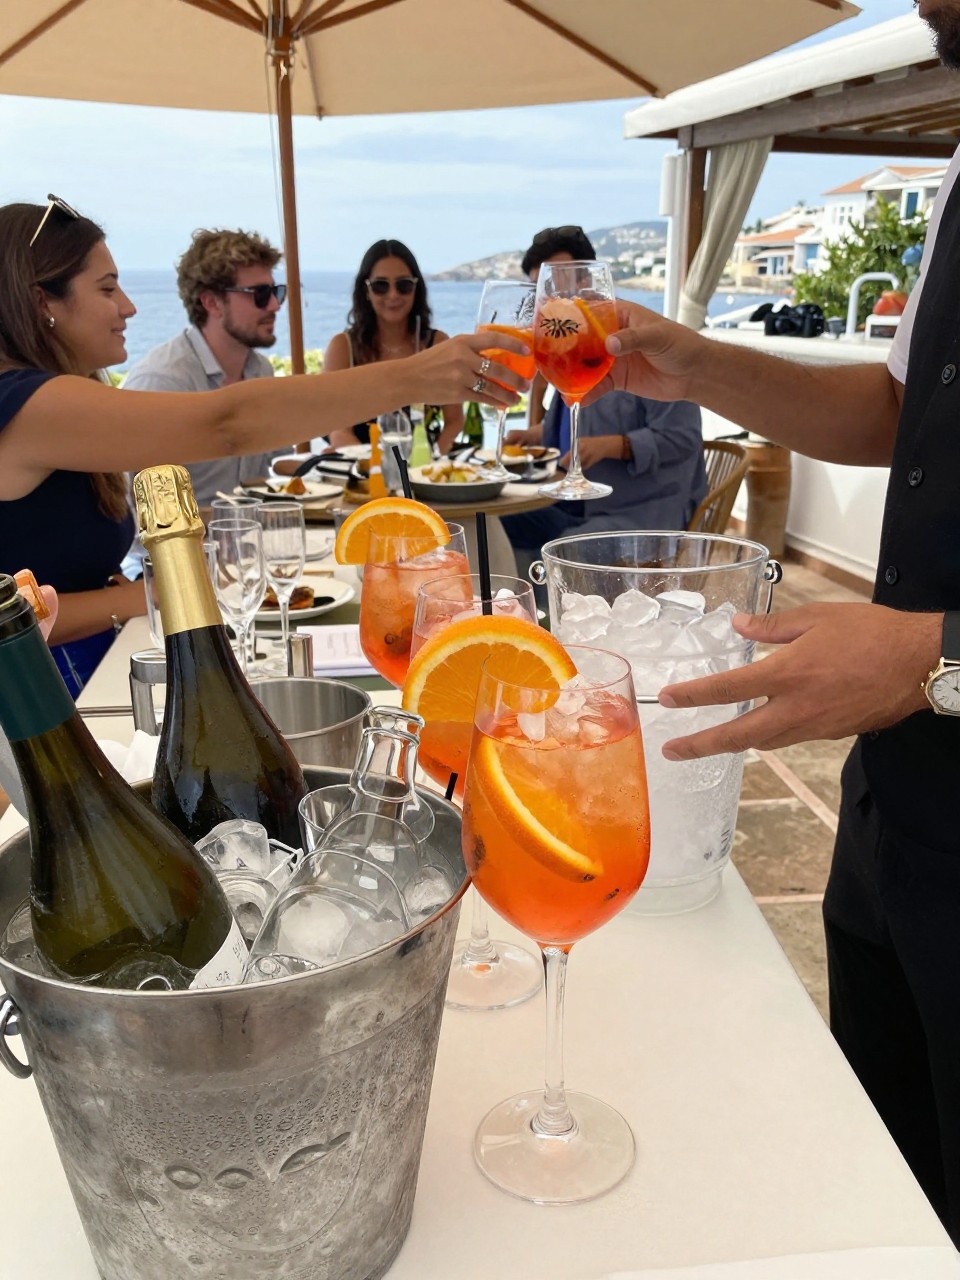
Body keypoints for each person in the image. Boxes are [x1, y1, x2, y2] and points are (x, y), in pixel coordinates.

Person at [585, 0, 960, 1241]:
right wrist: (693, 365)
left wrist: (930, 654)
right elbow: (900, 413)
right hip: (903, 807)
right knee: (885, 1188)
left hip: (927, 712)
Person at [0, 198, 526, 694]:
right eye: (108, 289)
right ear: (42, 300)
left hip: (89, 658)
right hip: (49, 687)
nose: (130, 306)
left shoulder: (49, 398)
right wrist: (414, 377)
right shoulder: (27, 403)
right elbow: (227, 422)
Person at [501, 225, 706, 561]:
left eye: (559, 284)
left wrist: (612, 446)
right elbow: (580, 428)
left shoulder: (640, 342)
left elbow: (682, 438)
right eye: (540, 289)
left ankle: (550, 611)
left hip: (640, 512)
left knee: (559, 551)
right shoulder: (570, 348)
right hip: (572, 504)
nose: (552, 299)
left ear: (588, 281)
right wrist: (535, 433)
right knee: (497, 524)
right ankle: (506, 610)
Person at [122, 228, 287, 506]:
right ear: (212, 302)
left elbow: (276, 463)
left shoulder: (260, 371)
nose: (274, 305)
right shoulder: (163, 383)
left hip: (244, 539)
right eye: (259, 294)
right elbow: (143, 512)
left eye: (276, 292)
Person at [323, 239, 464, 452]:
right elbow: (338, 430)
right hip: (366, 474)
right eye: (380, 286)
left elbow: (454, 421)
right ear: (366, 291)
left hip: (423, 472)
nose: (393, 295)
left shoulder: (437, 345)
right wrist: (374, 467)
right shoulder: (343, 348)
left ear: (416, 289)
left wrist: (434, 460)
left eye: (403, 285)